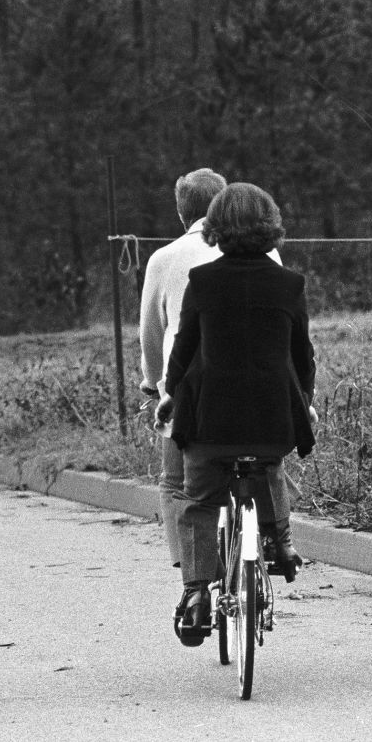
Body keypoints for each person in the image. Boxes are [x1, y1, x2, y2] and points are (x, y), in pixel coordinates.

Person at [156, 183, 316, 646]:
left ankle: (196, 593)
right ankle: (279, 542)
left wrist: (169, 396)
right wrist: (304, 401)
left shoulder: (202, 283)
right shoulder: (289, 284)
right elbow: (301, 355)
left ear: (216, 229)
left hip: (210, 421)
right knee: (269, 463)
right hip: (271, 420)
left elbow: (182, 353)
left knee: (200, 501)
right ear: (271, 228)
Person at [138, 169, 230, 569]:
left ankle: (188, 571)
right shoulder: (261, 251)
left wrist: (153, 381)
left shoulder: (165, 258)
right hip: (256, 383)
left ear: (181, 213)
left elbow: (151, 333)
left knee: (175, 481)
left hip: (188, 387)